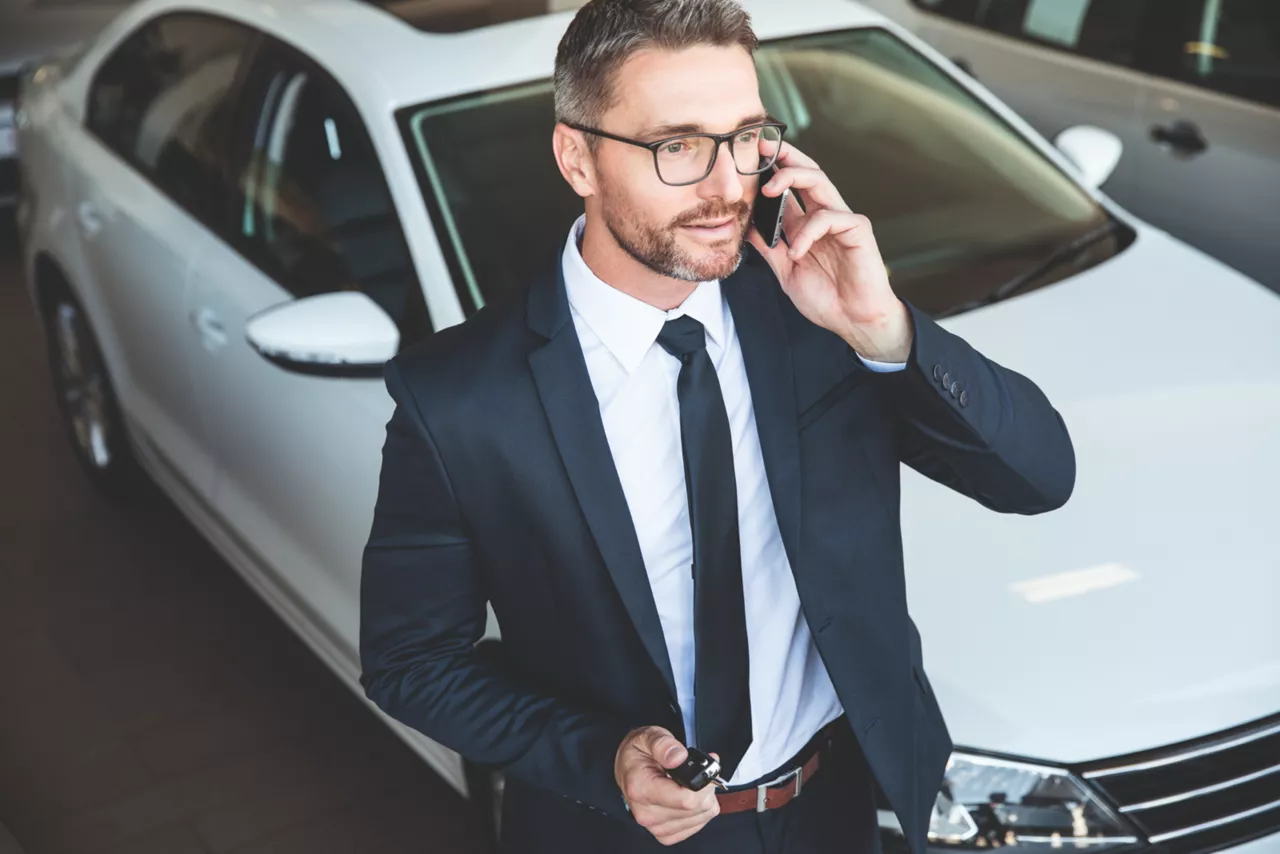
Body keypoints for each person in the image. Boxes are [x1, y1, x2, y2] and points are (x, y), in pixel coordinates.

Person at [358, 0, 1075, 851]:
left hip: (840, 807)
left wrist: (885, 330)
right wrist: (603, 756)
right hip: (618, 833)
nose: (729, 184)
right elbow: (413, 663)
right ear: (576, 157)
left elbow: (1039, 478)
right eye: (679, 146)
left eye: (745, 137)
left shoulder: (816, 311)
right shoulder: (459, 397)